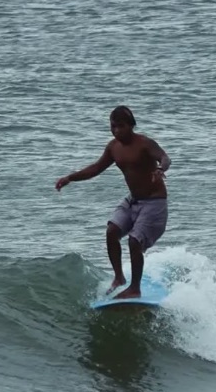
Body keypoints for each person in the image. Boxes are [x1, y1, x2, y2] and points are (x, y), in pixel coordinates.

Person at [55, 106, 171, 299]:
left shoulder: (144, 144)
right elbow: (96, 168)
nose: (116, 131)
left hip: (154, 202)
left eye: (121, 127)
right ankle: (119, 278)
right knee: (112, 231)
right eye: (113, 126)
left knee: (134, 241)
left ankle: (135, 288)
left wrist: (161, 169)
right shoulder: (113, 147)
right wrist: (70, 178)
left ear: (131, 126)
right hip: (133, 199)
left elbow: (165, 158)